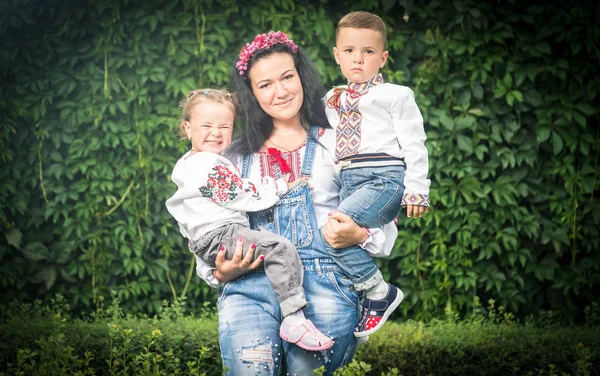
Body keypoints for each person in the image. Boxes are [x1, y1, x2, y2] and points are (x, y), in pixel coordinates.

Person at [193, 31, 398, 375]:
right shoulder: (230, 157)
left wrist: (360, 236)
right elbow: (206, 222)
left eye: (287, 77)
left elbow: (380, 210)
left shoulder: (339, 142)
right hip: (249, 283)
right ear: (252, 94)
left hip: (327, 282)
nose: (281, 91)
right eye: (265, 85)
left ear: (301, 76)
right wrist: (216, 271)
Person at [165, 88, 334, 351]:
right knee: (280, 248)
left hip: (210, 240)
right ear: (187, 128)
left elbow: (190, 224)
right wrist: (280, 186)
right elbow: (240, 194)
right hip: (223, 236)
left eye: (225, 126)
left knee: (267, 255)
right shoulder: (204, 166)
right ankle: (294, 317)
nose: (216, 132)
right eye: (206, 125)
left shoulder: (191, 164)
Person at [323, 11, 431, 337]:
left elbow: (415, 143)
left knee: (333, 231)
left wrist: (417, 190)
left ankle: (379, 292)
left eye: (368, 52)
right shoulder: (331, 99)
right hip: (350, 180)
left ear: (382, 58)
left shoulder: (396, 95)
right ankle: (357, 301)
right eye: (350, 51)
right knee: (336, 241)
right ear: (337, 55)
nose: (359, 59)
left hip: (384, 178)